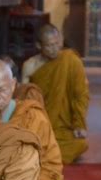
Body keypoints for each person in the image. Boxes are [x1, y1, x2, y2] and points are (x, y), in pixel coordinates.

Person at [22, 23, 89, 164]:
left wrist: (79, 124)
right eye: (50, 45)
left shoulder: (71, 60)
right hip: (39, 122)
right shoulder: (30, 66)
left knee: (80, 144)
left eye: (58, 44)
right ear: (39, 46)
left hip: (63, 127)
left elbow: (80, 95)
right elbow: (24, 98)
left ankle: (44, 154)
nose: (55, 49)